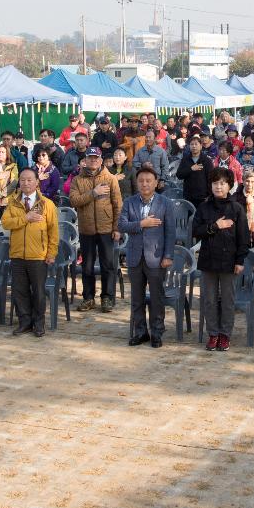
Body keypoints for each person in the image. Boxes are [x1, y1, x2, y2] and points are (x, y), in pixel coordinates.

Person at [118, 164, 175, 348]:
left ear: (156, 183)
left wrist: (168, 255)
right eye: (141, 181)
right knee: (137, 298)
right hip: (135, 257)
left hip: (157, 257)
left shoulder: (165, 203)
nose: (144, 184)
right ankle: (140, 332)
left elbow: (170, 232)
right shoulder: (129, 202)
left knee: (157, 298)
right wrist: (142, 223)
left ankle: (157, 332)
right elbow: (122, 226)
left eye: (148, 181)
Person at [194, 166, 250, 352]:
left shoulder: (236, 208)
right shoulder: (203, 207)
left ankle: (225, 335)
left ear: (229, 186)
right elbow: (196, 231)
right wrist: (215, 226)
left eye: (222, 183)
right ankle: (213, 334)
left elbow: (244, 238)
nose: (218, 187)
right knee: (209, 300)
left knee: (227, 300)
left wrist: (240, 261)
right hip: (208, 260)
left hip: (229, 261)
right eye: (215, 183)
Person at [2, 167, 60, 337]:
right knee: (20, 291)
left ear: (36, 182)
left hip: (38, 255)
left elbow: (53, 231)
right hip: (18, 255)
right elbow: (6, 223)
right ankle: (24, 322)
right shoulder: (13, 202)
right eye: (22, 180)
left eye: (29, 180)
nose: (26, 183)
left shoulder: (46, 204)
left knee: (39, 292)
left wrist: (51, 253)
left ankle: (39, 323)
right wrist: (25, 219)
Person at [69, 146, 123, 312]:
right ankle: (88, 297)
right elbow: (74, 200)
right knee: (87, 266)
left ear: (101, 160)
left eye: (96, 158)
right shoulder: (78, 180)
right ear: (85, 160)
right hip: (87, 229)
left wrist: (116, 228)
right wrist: (93, 193)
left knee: (108, 265)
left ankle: (107, 297)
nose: (93, 161)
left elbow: (118, 204)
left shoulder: (110, 178)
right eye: (90, 158)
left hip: (106, 229)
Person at [177, 135, 215, 210]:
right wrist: (190, 169)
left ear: (201, 146)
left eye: (196, 144)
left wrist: (210, 195)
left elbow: (211, 179)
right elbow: (179, 175)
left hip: (203, 197)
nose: (194, 146)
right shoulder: (185, 159)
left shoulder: (206, 160)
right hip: (189, 196)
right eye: (192, 144)